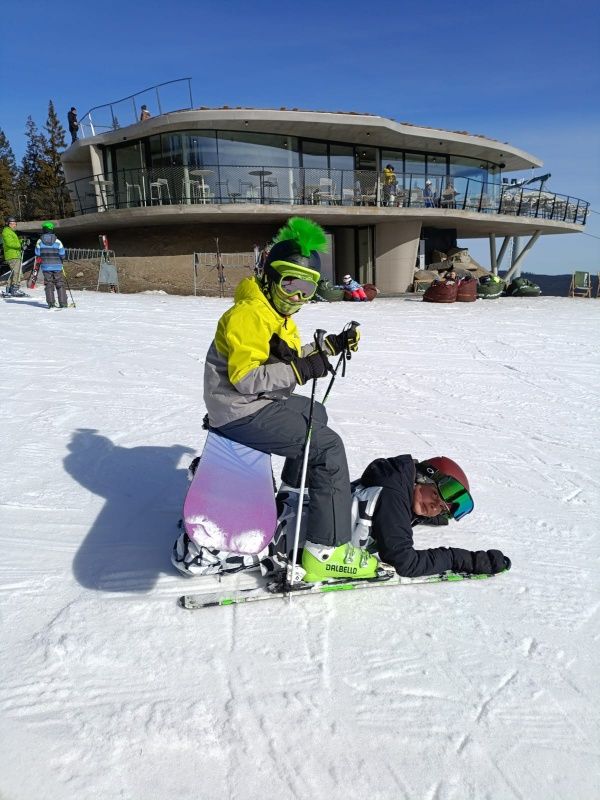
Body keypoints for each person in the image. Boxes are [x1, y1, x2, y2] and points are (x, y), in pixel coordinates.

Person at [196, 216, 377, 583]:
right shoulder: (249, 315)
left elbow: (288, 359)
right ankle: (327, 551)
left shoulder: (275, 314)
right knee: (327, 447)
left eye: (307, 289)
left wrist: (328, 348)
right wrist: (302, 369)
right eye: (290, 283)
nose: (297, 297)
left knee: (315, 412)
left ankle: (295, 492)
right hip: (239, 409)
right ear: (269, 276)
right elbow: (247, 379)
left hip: (249, 403)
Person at [349, 454, 510, 577]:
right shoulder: (393, 497)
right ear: (421, 478)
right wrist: (455, 558)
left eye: (441, 508)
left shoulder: (393, 481)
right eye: (434, 494)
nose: (434, 507)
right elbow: (405, 563)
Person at [35, 222, 67, 308]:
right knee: (60, 283)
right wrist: (61, 258)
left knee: (48, 284)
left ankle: (51, 303)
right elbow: (62, 254)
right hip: (57, 266)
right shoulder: (58, 241)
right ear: (52, 229)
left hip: (45, 266)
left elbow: (37, 253)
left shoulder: (39, 241)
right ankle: (63, 303)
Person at [2, 216, 27, 296]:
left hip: (15, 254)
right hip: (12, 255)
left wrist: (21, 241)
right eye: (12, 223)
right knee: (17, 273)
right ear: (8, 224)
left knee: (13, 273)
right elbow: (10, 243)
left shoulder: (11, 232)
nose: (14, 225)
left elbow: (14, 242)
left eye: (15, 223)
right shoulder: (6, 232)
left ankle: (9, 289)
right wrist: (20, 245)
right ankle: (15, 289)